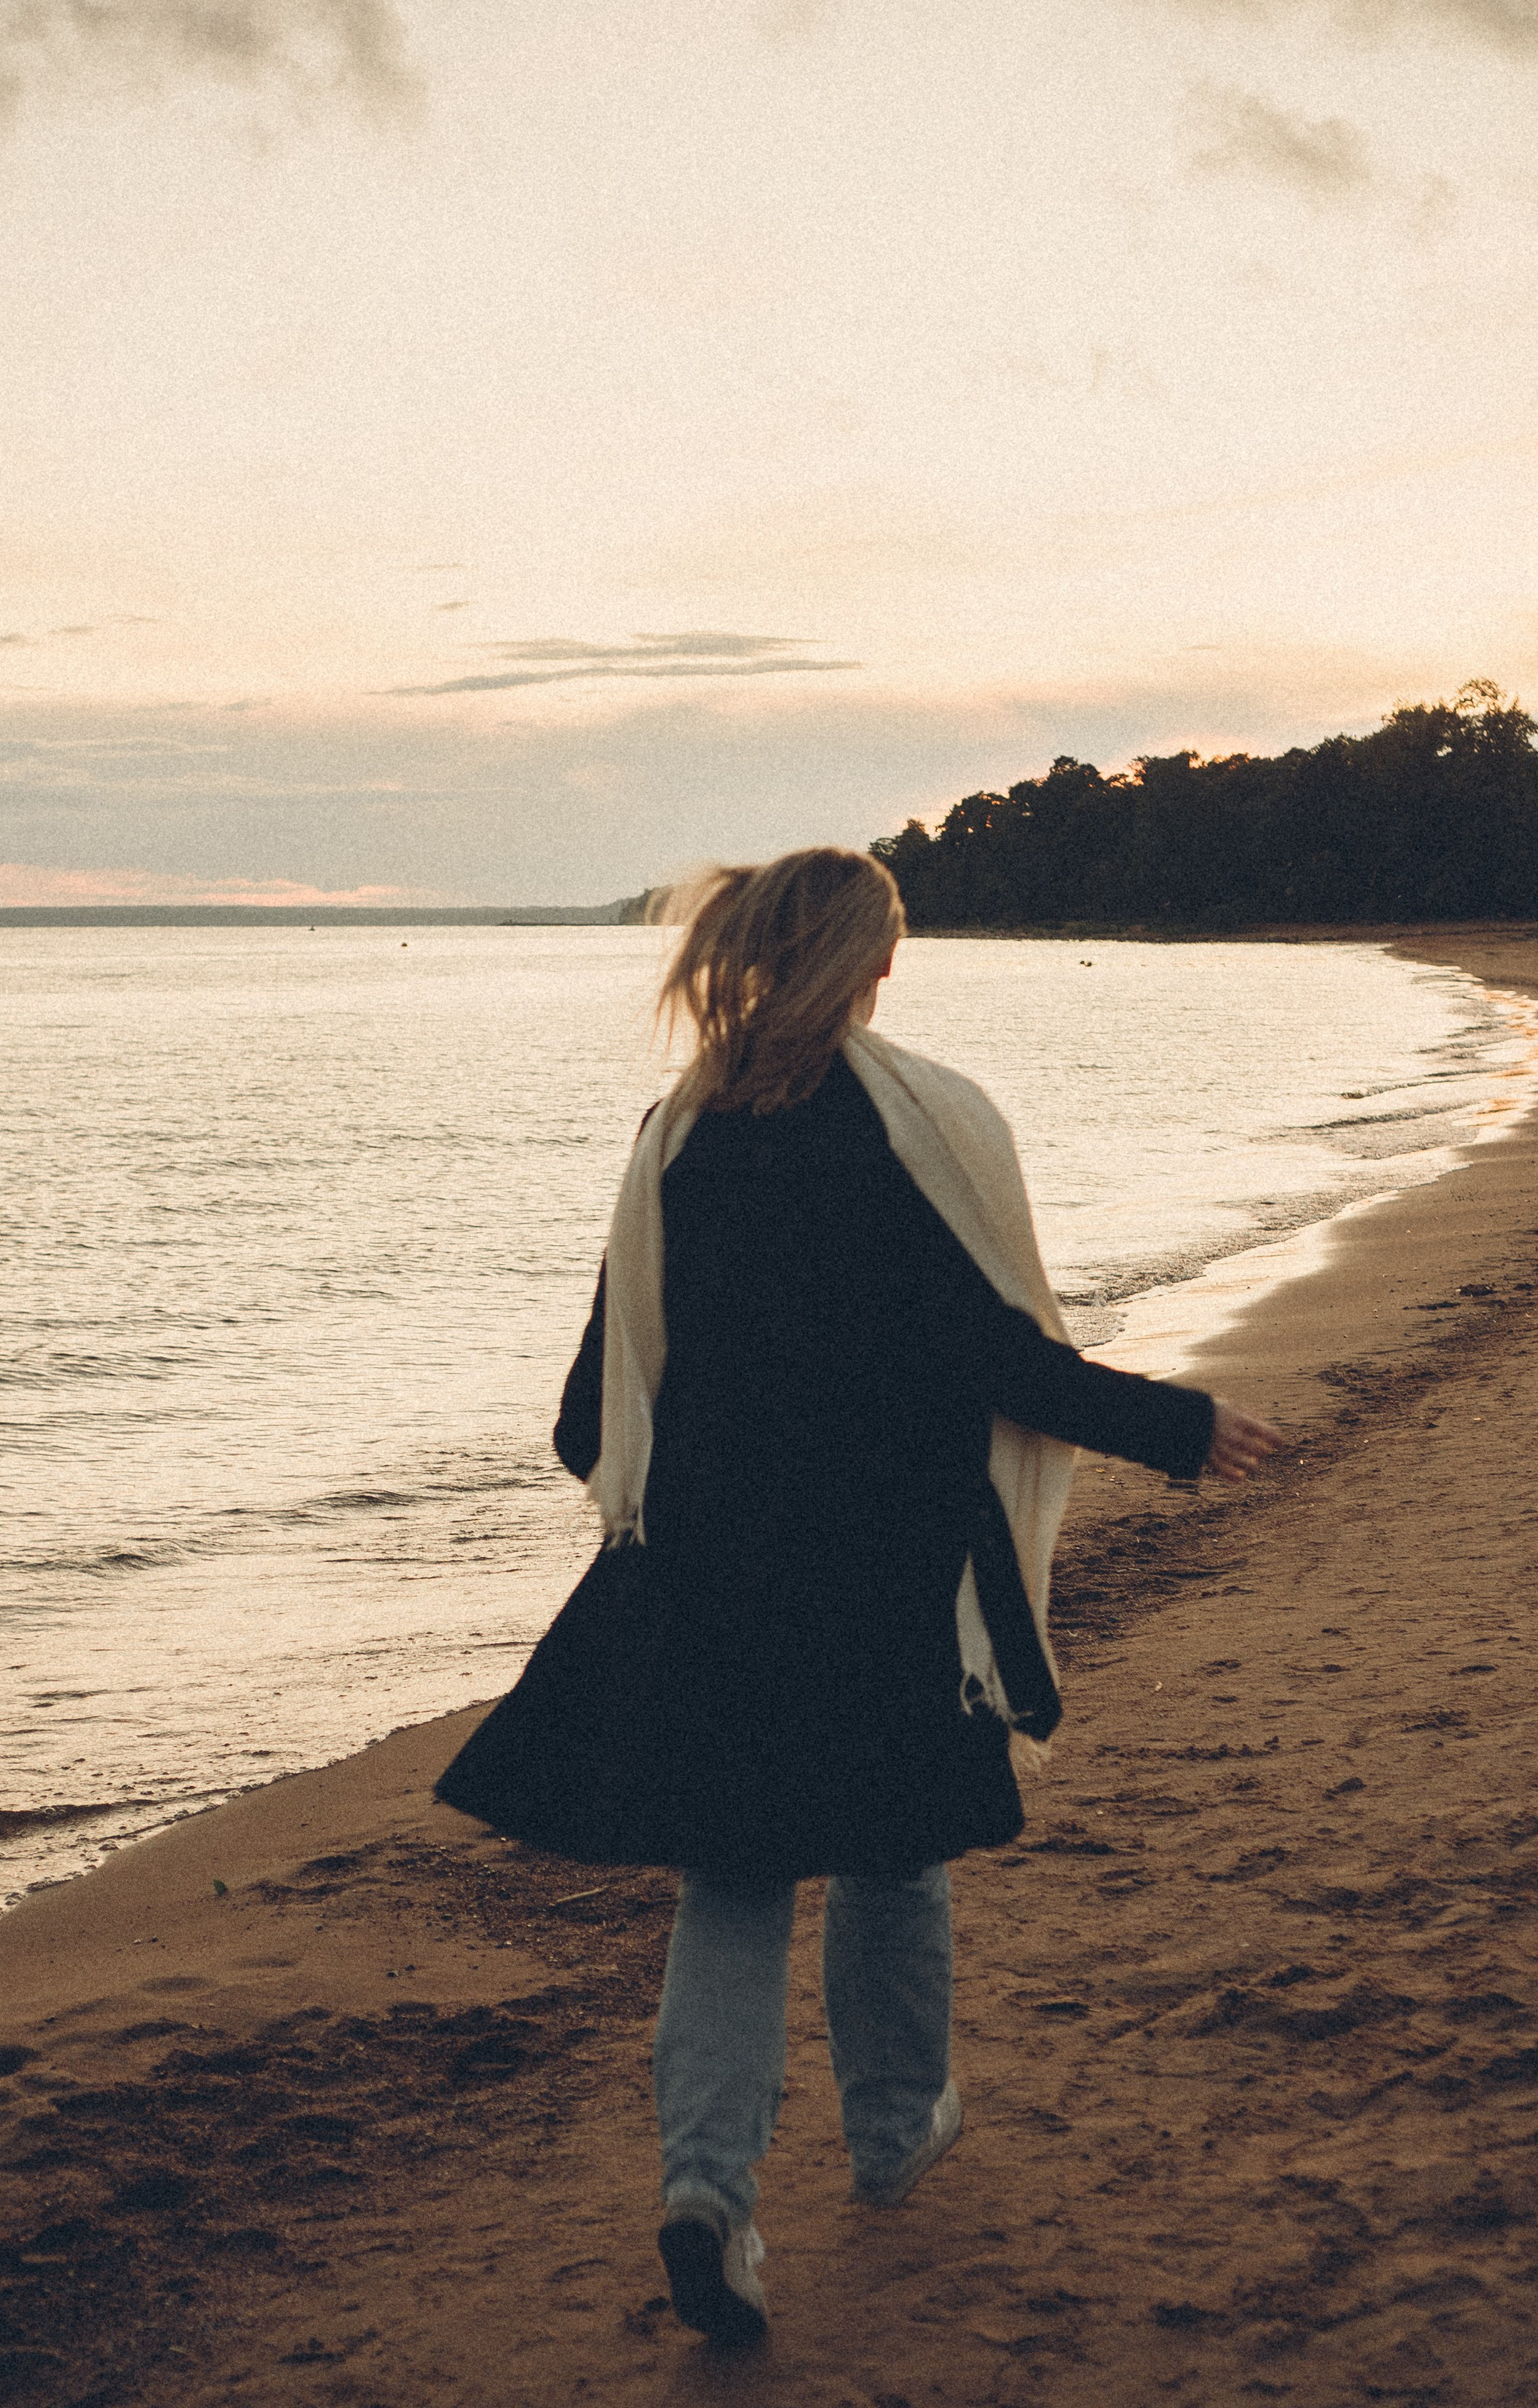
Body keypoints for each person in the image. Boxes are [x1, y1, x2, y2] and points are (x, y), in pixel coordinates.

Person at [436, 847, 1280, 2348]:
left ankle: (707, 2196)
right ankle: (895, 2131)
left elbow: (596, 1404)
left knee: (735, 1879)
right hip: (884, 1572)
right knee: (892, 1857)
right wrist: (1178, 1424)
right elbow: (994, 1357)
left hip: (706, 1573)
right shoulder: (918, 1135)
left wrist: (669, 1475)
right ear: (875, 963)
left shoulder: (673, 1138)